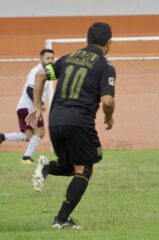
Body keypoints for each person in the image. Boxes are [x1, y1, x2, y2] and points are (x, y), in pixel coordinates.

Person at [26, 22, 116, 229]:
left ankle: (47, 166)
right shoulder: (105, 65)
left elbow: (41, 75)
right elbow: (108, 101)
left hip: (55, 121)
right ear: (109, 42)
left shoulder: (67, 58)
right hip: (79, 122)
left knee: (70, 165)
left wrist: (38, 105)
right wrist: (109, 117)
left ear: (87, 40)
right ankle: (61, 220)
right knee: (85, 168)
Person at [0, 49, 54, 163]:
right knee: (40, 132)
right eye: (47, 58)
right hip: (30, 107)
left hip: (23, 106)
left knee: (29, 135)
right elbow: (30, 89)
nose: (50, 61)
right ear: (41, 59)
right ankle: (26, 158)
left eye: (52, 58)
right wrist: (41, 105)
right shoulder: (38, 70)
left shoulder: (46, 72)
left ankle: (2, 137)